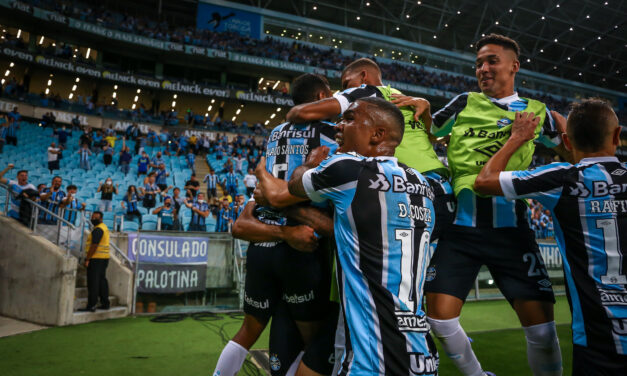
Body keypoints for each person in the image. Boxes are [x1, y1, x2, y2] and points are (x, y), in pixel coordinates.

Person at [256, 97, 438, 375]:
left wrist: (311, 162)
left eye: (350, 119)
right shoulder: (423, 185)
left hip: (375, 358)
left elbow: (290, 186)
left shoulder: (348, 169)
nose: (338, 126)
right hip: (423, 352)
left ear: (377, 134)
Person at [421, 34, 567, 376]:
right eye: (479, 64)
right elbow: (424, 130)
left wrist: (564, 125)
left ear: (514, 66)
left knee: (543, 331)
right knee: (439, 320)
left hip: (513, 231)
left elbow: (570, 146)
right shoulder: (463, 102)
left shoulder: (536, 112)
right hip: (461, 231)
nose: (483, 69)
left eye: (491, 61)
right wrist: (419, 103)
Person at [473, 100, 627, 375]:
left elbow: (484, 181)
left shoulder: (563, 178)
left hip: (599, 338)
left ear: (567, 142)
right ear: (617, 136)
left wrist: (517, 138)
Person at [213, 73, 339, 376]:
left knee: (248, 330)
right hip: (303, 243)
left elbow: (266, 188)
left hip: (263, 240)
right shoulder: (331, 134)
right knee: (312, 341)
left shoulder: (276, 133)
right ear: (322, 96)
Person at [286, 57, 454, 240]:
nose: (344, 91)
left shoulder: (368, 92)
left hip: (412, 190)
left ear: (363, 76)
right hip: (441, 189)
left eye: (346, 84)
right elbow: (432, 137)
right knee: (420, 264)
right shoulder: (401, 100)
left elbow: (300, 112)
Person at [79, 211, 110, 312]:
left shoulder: (98, 230)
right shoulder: (104, 227)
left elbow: (94, 245)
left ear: (101, 219)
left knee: (93, 282)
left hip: (96, 259)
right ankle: (105, 303)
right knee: (102, 281)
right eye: (92, 217)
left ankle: (91, 305)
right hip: (104, 258)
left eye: (96, 218)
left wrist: (88, 259)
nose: (93, 219)